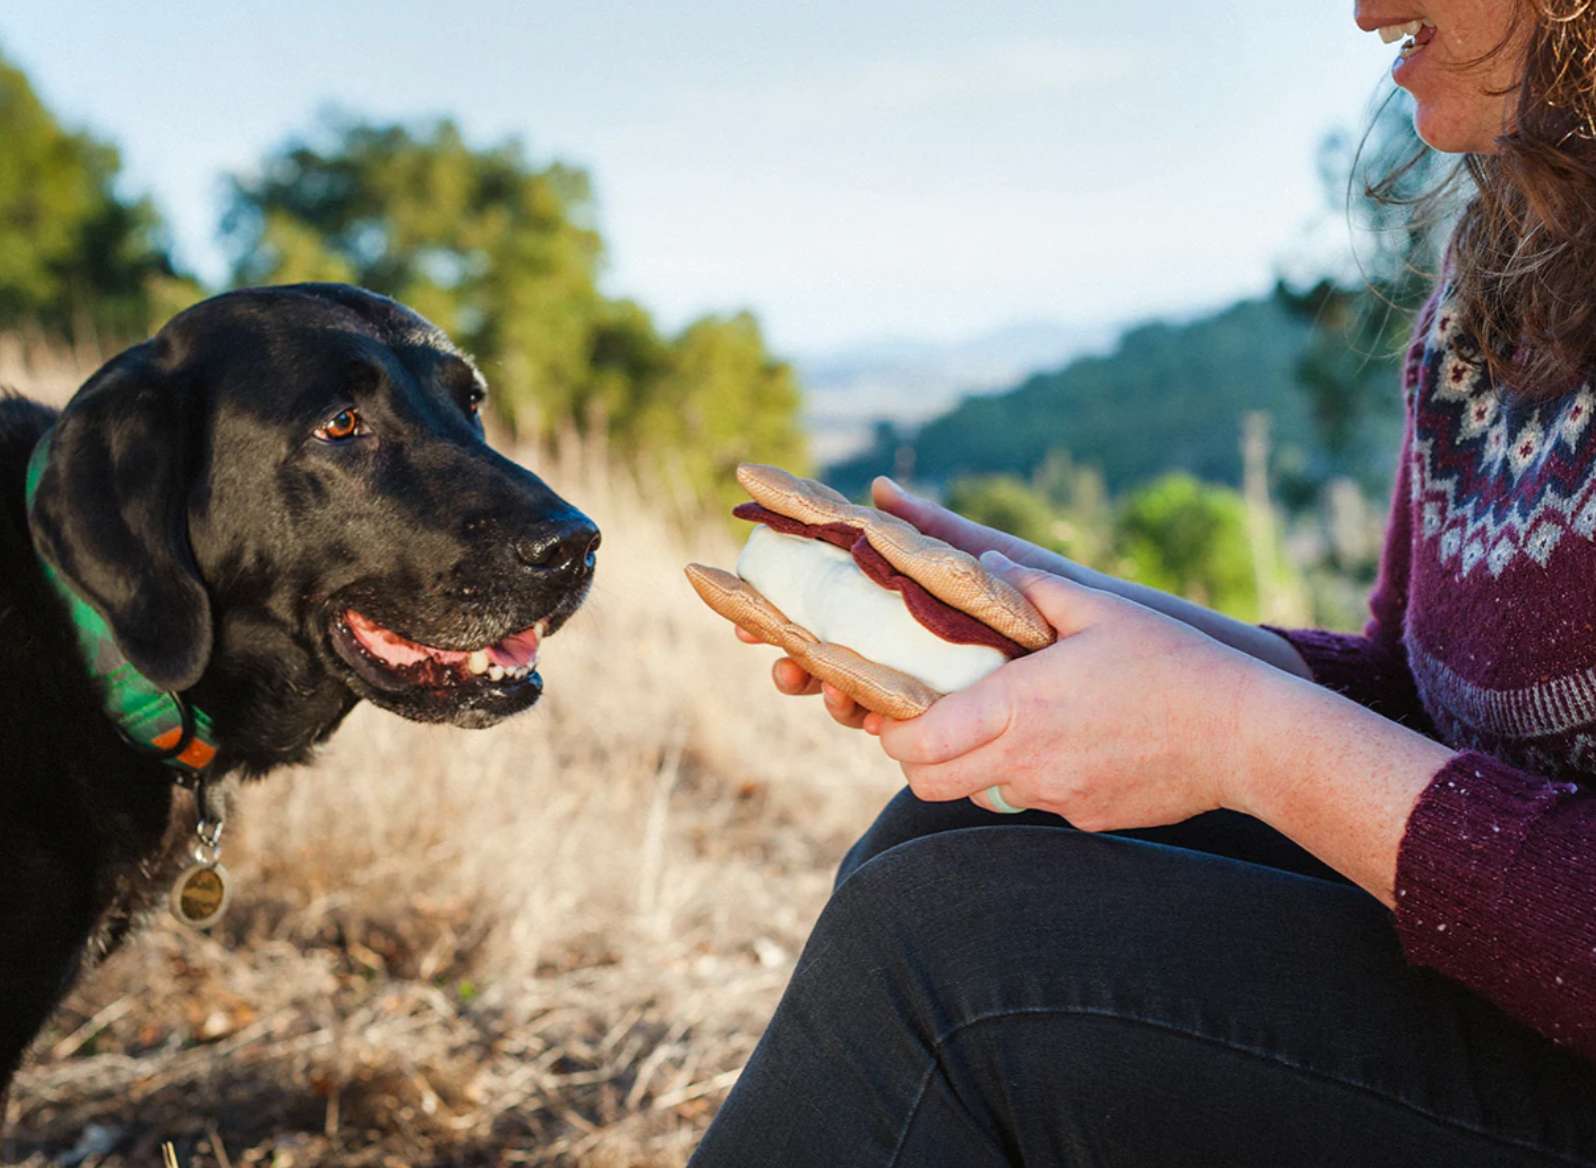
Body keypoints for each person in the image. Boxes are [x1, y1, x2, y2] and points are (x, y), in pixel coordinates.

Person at [689, 2, 1596, 1165]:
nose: (1360, 9)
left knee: (950, 960)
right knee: (951, 829)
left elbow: (1297, 745)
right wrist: (1051, 607)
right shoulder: (1497, 284)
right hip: (1514, 979)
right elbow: (1418, 692)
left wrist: (1240, 735)